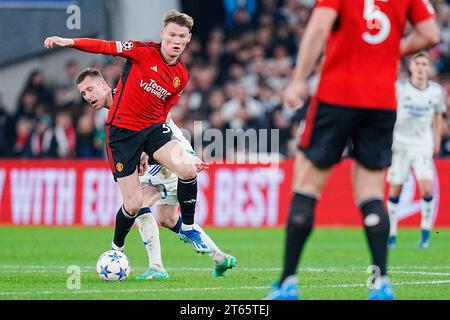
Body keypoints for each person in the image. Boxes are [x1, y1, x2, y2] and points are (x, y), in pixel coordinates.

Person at [266, 0, 439, 300]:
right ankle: (380, 282)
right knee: (371, 193)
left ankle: (287, 283)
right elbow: (430, 34)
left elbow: (319, 28)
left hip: (336, 96)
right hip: (381, 101)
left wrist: (298, 81)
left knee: (307, 186)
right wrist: (390, 51)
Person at [44, 10, 210, 255]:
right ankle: (116, 248)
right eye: (172, 34)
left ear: (188, 39)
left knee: (186, 168)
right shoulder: (141, 51)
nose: (176, 40)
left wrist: (153, 149)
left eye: (181, 36)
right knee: (133, 205)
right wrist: (70, 42)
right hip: (122, 133)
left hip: (153, 129)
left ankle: (188, 226)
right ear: (162, 34)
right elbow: (105, 46)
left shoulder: (181, 76)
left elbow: (165, 110)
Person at [76, 68, 236, 278]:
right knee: (168, 219)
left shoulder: (129, 97)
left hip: (164, 159)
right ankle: (220, 258)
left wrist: (185, 153)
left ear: (104, 85)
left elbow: (163, 120)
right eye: (83, 93)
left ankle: (156, 267)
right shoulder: (113, 114)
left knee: (139, 203)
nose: (88, 96)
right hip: (158, 160)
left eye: (90, 89)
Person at [387, 52, 446, 250]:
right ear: (411, 67)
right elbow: (388, 109)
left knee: (427, 188)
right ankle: (392, 233)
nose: (421, 68)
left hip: (423, 145)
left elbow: (438, 115)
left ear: (428, 68)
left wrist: (436, 138)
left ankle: (425, 234)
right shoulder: (400, 89)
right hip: (401, 144)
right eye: (417, 64)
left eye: (424, 64)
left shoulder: (436, 91)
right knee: (396, 189)